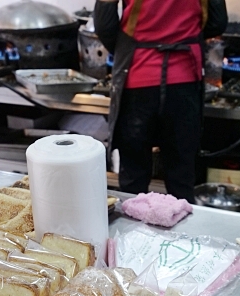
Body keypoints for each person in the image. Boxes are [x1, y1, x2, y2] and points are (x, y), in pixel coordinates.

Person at [95, 0, 227, 203]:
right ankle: (183, 234)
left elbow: (104, 24)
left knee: (134, 179)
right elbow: (217, 22)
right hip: (184, 79)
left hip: (138, 78)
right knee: (181, 179)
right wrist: (185, 34)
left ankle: (132, 233)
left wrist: (131, 47)